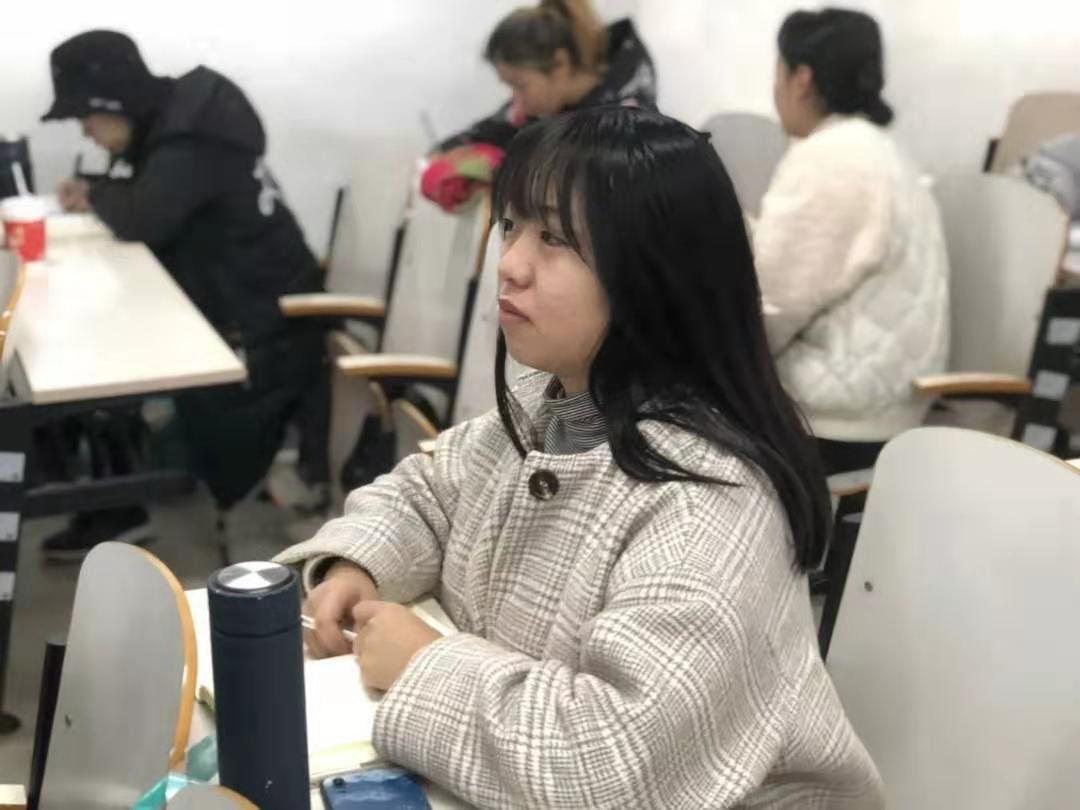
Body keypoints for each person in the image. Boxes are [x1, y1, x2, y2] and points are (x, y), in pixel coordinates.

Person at [277, 107, 884, 808]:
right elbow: (428, 492)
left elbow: (605, 764)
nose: (509, 264)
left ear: (656, 276)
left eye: (555, 239)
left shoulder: (707, 508)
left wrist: (423, 665)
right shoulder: (552, 405)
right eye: (511, 226)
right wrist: (359, 565)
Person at [39, 31, 327, 558]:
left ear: (114, 103)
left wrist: (97, 193)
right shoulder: (181, 125)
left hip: (264, 329)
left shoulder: (189, 139)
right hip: (244, 305)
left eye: (86, 118)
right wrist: (103, 194)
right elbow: (149, 207)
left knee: (106, 353)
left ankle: (119, 501)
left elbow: (144, 217)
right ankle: (116, 499)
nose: (87, 134)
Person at [755, 8, 950, 475]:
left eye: (778, 72)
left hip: (837, 421)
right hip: (879, 402)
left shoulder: (831, 159)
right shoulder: (875, 148)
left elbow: (768, 307)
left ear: (801, 79)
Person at [421, 0, 656, 211]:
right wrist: (449, 158)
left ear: (560, 64)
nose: (518, 104)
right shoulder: (544, 104)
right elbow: (488, 133)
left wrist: (500, 174)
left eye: (520, 86)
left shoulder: (625, 128)